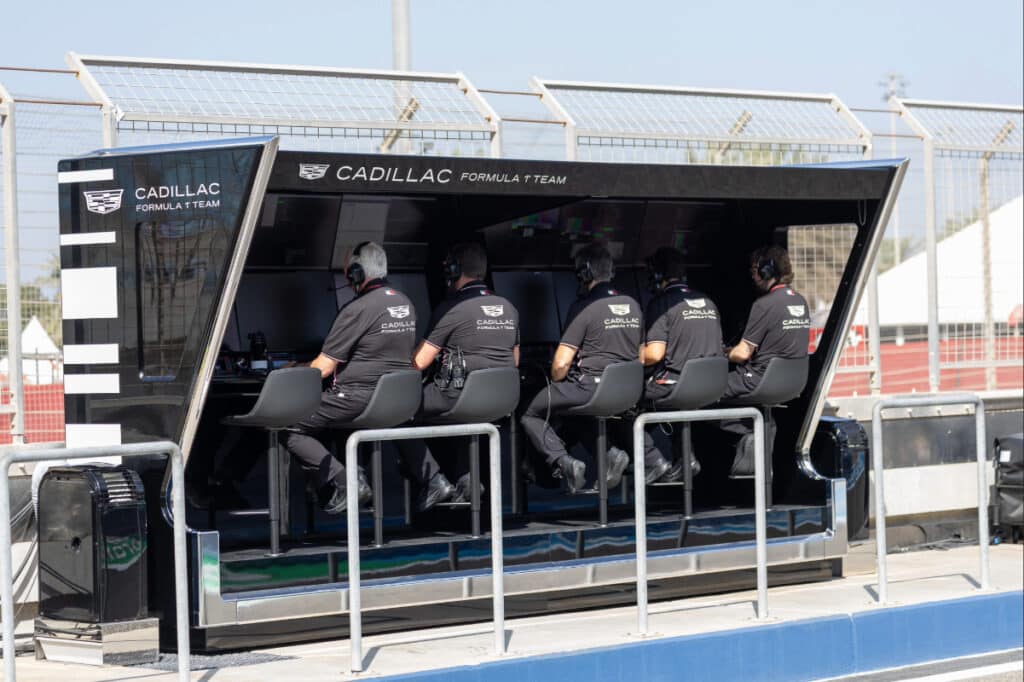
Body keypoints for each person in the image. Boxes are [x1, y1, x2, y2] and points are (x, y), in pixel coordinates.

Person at [281, 242, 418, 513]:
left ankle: (347, 482)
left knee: (285, 424)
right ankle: (346, 485)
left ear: (356, 273)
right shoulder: (405, 303)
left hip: (356, 399)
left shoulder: (357, 309)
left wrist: (292, 369)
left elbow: (323, 368)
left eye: (348, 272)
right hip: (392, 401)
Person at [401, 242, 520, 511]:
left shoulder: (451, 308)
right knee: (454, 411)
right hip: (501, 400)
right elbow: (514, 361)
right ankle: (466, 480)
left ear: (454, 270)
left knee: (397, 409)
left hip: (459, 398)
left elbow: (420, 362)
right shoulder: (509, 308)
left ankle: (433, 480)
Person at [520, 243, 642, 493]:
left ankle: (564, 462)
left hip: (592, 388)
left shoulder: (583, 308)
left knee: (530, 411)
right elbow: (641, 354)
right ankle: (610, 454)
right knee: (575, 413)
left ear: (584, 273)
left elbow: (561, 365)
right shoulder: (632, 304)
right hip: (628, 391)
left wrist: (557, 378)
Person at [628, 246, 724, 483]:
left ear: (658, 275)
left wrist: (630, 351)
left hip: (676, 387)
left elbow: (654, 354)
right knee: (677, 405)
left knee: (621, 404)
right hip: (711, 387)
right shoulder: (708, 302)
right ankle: (686, 459)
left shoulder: (662, 304)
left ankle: (653, 461)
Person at [723, 245, 810, 400]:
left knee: (706, 388)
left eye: (755, 269)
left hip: (759, 380)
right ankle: (764, 424)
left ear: (767, 270)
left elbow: (742, 354)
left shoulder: (764, 304)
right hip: (792, 381)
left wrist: (725, 353)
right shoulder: (800, 301)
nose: (753, 276)